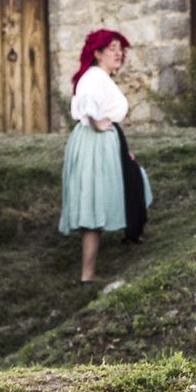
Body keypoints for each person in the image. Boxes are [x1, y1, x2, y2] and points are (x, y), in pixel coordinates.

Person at [58, 29, 152, 282]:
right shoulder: (94, 76)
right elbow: (85, 103)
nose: (119, 53)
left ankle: (133, 233)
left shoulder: (101, 77)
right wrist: (98, 122)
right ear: (97, 53)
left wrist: (120, 148)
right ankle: (87, 274)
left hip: (106, 141)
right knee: (93, 201)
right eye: (112, 48)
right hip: (95, 142)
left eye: (120, 49)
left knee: (134, 177)